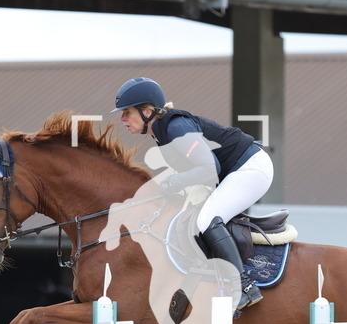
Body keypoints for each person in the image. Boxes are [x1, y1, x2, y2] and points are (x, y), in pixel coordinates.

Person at [111, 76, 274, 309]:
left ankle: (243, 286)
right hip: (235, 171)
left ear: (147, 111)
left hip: (251, 168)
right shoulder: (161, 132)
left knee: (206, 219)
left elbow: (209, 169)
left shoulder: (176, 127)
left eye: (127, 112)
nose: (122, 119)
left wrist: (172, 183)